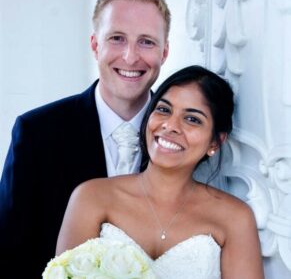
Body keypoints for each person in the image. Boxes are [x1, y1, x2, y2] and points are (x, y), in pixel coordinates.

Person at [0, 0, 170, 277]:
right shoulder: (36, 133)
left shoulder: (181, 138)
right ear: (94, 45)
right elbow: (8, 254)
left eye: (146, 42)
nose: (130, 57)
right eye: (117, 38)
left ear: (164, 52)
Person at [56, 65, 265, 278]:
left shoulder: (235, 219)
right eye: (164, 109)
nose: (170, 125)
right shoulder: (91, 196)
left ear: (215, 141)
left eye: (192, 119)